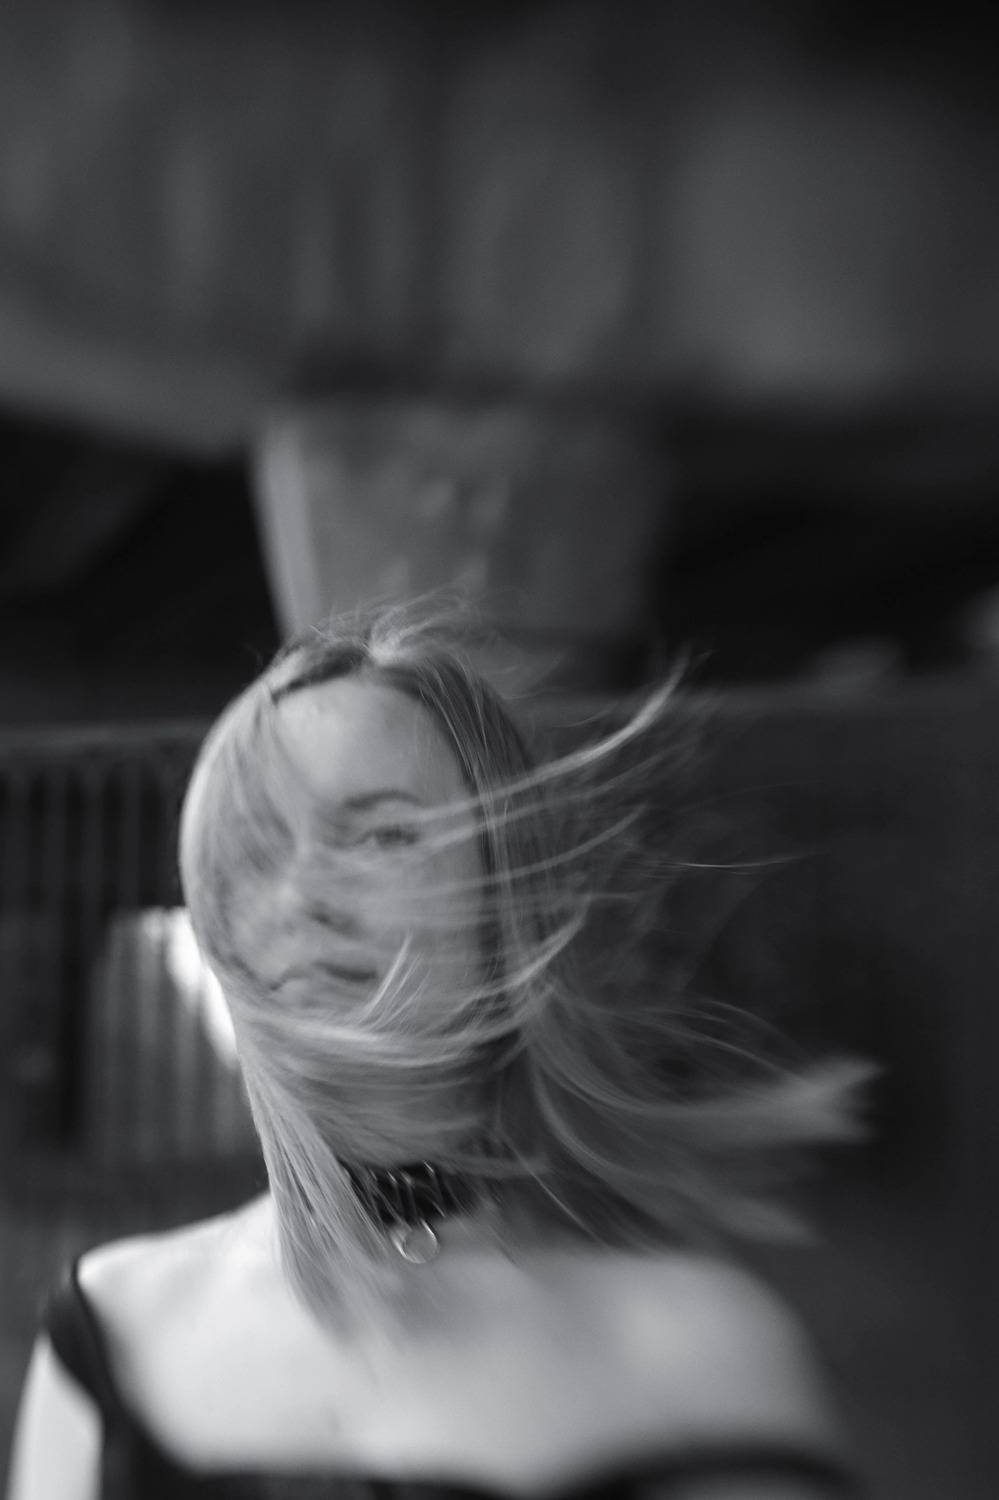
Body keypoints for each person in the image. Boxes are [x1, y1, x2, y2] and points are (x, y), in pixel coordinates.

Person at [6, 603, 871, 1500]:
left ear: (512, 890)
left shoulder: (696, 1354)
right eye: (255, 851)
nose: (302, 894)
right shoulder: (109, 1329)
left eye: (384, 834)